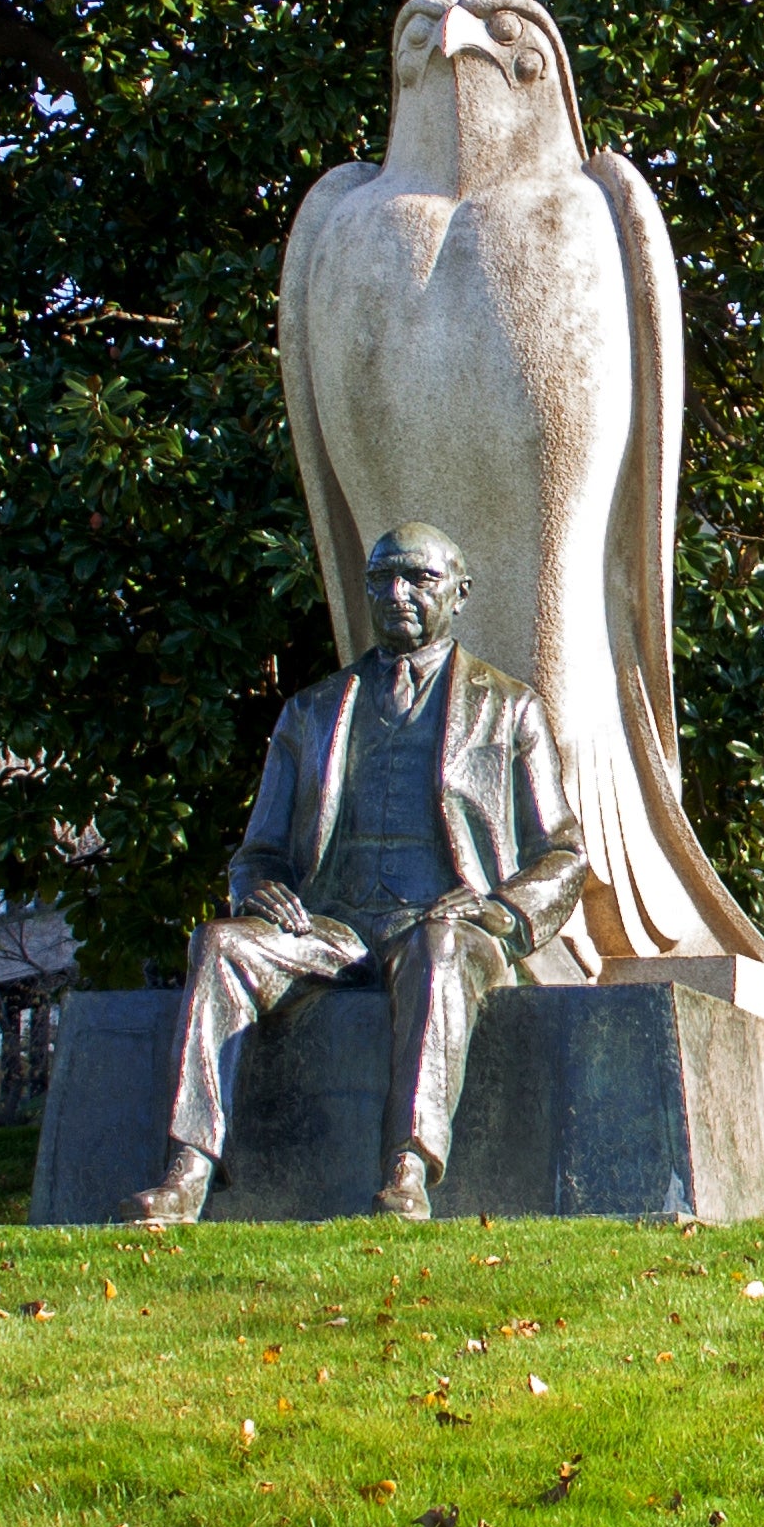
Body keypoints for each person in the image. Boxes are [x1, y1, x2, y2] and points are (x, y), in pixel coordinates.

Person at [123, 523, 590, 1223]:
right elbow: (258, 852)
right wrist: (257, 889)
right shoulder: (311, 711)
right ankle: (189, 1170)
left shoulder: (510, 706)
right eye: (381, 580)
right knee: (220, 944)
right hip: (332, 927)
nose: (397, 593)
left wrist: (497, 911)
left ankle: (407, 1171)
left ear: (459, 593)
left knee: (438, 948)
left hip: (442, 922)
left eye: (418, 579)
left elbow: (562, 852)